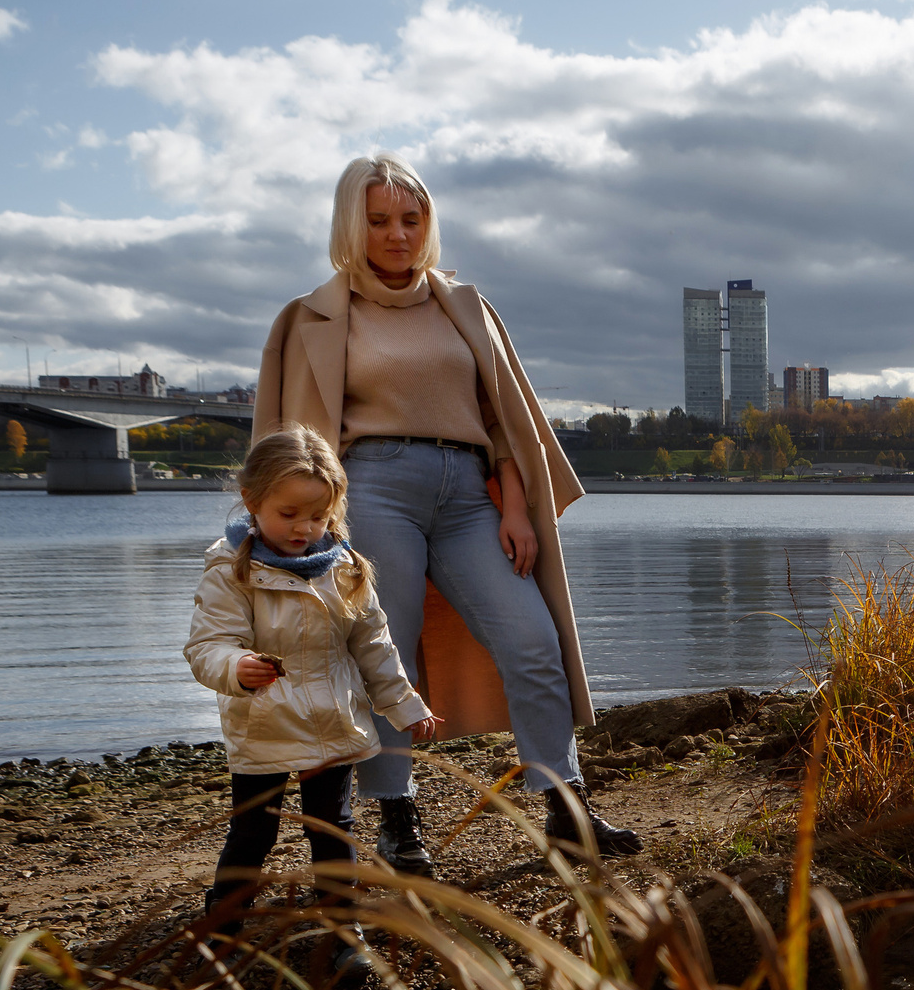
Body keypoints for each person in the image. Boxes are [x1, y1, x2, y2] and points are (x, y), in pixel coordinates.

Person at [254, 152, 641, 874]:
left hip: (469, 493)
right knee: (384, 651)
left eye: (412, 218)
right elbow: (289, 442)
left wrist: (517, 507)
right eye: (378, 220)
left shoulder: (464, 304)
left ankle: (566, 806)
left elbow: (504, 421)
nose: (398, 234)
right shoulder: (313, 317)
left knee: (533, 636)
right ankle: (399, 822)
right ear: (351, 224)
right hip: (370, 488)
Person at [184, 428, 439, 928]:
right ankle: (225, 919)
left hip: (332, 721)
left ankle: (342, 927)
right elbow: (207, 645)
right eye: (289, 514)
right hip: (264, 723)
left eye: (319, 516)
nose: (305, 528)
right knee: (253, 830)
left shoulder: (345, 570)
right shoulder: (231, 571)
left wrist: (407, 706)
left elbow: (374, 647)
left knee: (333, 828)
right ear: (251, 501)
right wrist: (236, 667)